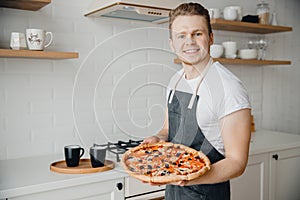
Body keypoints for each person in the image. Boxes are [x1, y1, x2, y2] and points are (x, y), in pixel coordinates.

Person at [142, 2, 252, 200]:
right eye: (181, 36)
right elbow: (168, 130)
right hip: (174, 191)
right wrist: (157, 139)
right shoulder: (175, 81)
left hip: (208, 194)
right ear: (172, 43)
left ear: (210, 38)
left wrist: (188, 176)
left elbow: (237, 162)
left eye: (197, 34)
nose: (189, 41)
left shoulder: (229, 88)